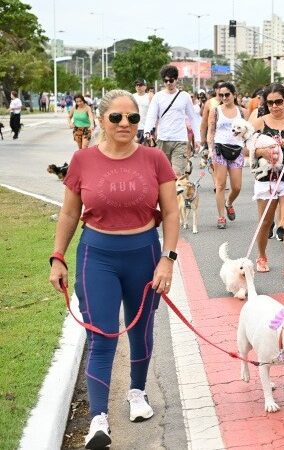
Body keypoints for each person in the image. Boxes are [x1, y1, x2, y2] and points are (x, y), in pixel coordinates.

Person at [48, 89, 178, 449]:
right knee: (102, 334)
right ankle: (98, 420)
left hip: (145, 254)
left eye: (133, 118)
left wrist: (168, 259)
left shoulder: (154, 159)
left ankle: (138, 392)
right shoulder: (82, 160)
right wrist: (57, 256)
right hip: (98, 255)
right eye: (117, 117)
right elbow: (70, 212)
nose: (125, 124)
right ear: (102, 120)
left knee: (141, 329)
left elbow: (170, 212)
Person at [247, 83, 284, 279]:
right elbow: (245, 148)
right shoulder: (259, 122)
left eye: (278, 101)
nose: (274, 106)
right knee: (265, 222)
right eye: (270, 102)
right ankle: (261, 256)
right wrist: (261, 151)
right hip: (266, 179)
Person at [143, 65, 201, 176]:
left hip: (180, 140)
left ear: (176, 80)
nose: (168, 83)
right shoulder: (158, 97)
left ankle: (178, 192)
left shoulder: (184, 96)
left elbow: (192, 118)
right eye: (165, 81)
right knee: (163, 175)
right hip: (162, 140)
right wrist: (147, 132)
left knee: (177, 174)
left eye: (171, 80)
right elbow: (151, 116)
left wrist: (197, 138)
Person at [207, 82, 246, 229]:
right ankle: (221, 216)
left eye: (227, 94)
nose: (224, 97)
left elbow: (246, 130)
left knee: (236, 186)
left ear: (234, 95)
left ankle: (229, 203)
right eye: (221, 95)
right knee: (220, 184)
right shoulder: (216, 111)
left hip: (237, 150)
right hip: (219, 149)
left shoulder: (242, 112)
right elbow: (211, 131)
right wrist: (210, 149)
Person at [200, 80, 224, 150]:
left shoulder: (228, 102)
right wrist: (202, 138)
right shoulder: (209, 103)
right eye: (220, 87)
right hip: (212, 135)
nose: (222, 89)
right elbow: (204, 122)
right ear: (215, 89)